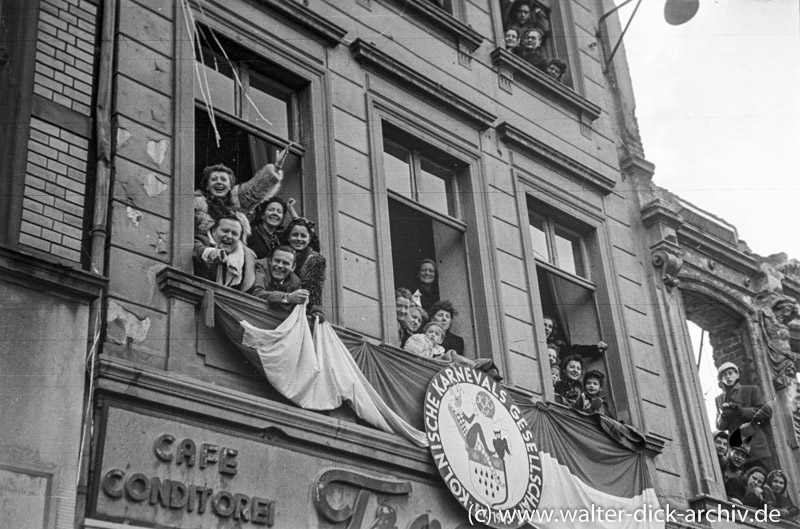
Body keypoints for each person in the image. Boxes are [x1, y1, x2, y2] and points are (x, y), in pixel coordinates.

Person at [194, 163, 283, 241]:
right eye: (214, 179)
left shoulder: (235, 203)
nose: (219, 182)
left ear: (230, 186)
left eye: (223, 179)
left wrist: (275, 170)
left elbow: (255, 189)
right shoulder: (196, 204)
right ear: (207, 186)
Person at [715, 362, 774, 472]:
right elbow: (719, 426)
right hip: (737, 451)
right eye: (724, 375)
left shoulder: (751, 390)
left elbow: (766, 412)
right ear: (721, 380)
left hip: (756, 446)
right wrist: (724, 416)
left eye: (730, 373)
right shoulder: (719, 399)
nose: (728, 377)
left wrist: (741, 411)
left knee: (765, 477)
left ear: (737, 375)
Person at [193, 216, 256, 292]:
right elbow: (196, 248)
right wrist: (212, 253)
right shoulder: (201, 240)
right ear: (213, 231)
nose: (229, 236)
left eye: (234, 234)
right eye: (225, 231)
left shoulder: (244, 259)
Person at [249, 245, 314, 318]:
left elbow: (296, 307)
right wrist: (287, 297)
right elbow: (257, 294)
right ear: (270, 261)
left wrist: (314, 311)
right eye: (277, 261)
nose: (280, 266)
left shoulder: (295, 282)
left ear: (293, 267)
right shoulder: (260, 268)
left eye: (285, 263)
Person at [281, 218, 326, 309]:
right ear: (288, 238)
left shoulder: (314, 259)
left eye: (303, 236)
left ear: (309, 239)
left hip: (300, 308)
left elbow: (313, 293)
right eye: (295, 235)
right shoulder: (282, 253)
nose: (299, 239)